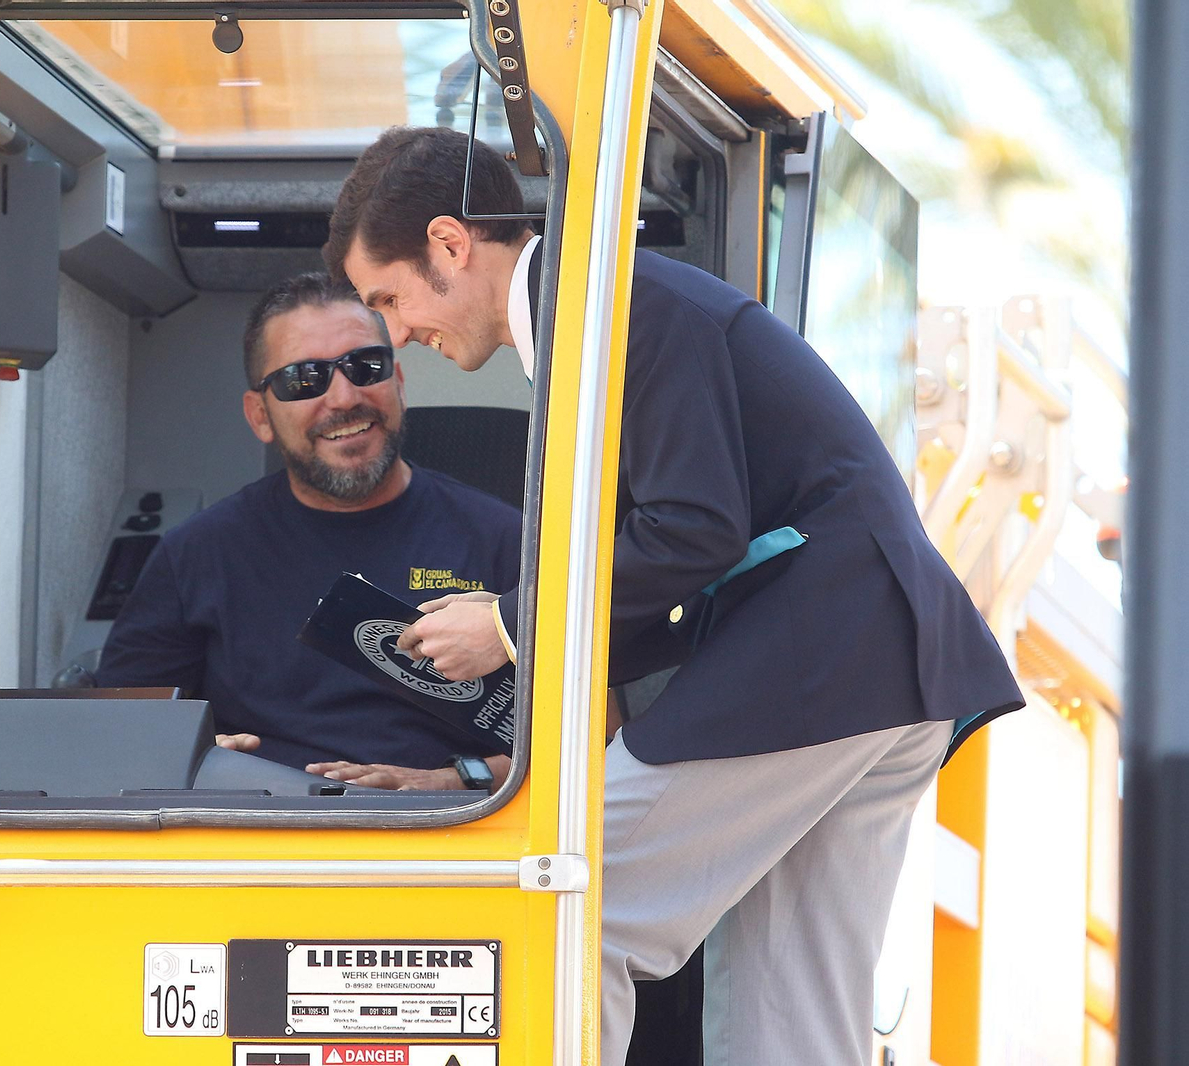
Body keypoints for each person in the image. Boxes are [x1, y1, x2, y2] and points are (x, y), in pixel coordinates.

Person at [322, 126, 1024, 1065]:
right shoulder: (613, 307)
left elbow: (695, 532)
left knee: (571, 904)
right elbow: (696, 548)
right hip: (886, 662)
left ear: (451, 244)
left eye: (388, 298)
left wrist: (506, 623)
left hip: (826, 654)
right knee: (792, 1000)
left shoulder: (620, 309)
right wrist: (510, 635)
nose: (396, 333)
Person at [95, 272, 521, 792]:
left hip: (458, 840)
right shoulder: (197, 555)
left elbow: (594, 735)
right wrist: (191, 758)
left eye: (365, 367)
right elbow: (117, 736)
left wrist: (454, 782)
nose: (343, 398)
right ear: (260, 416)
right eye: (304, 379)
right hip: (261, 844)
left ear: (400, 384)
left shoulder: (505, 539)